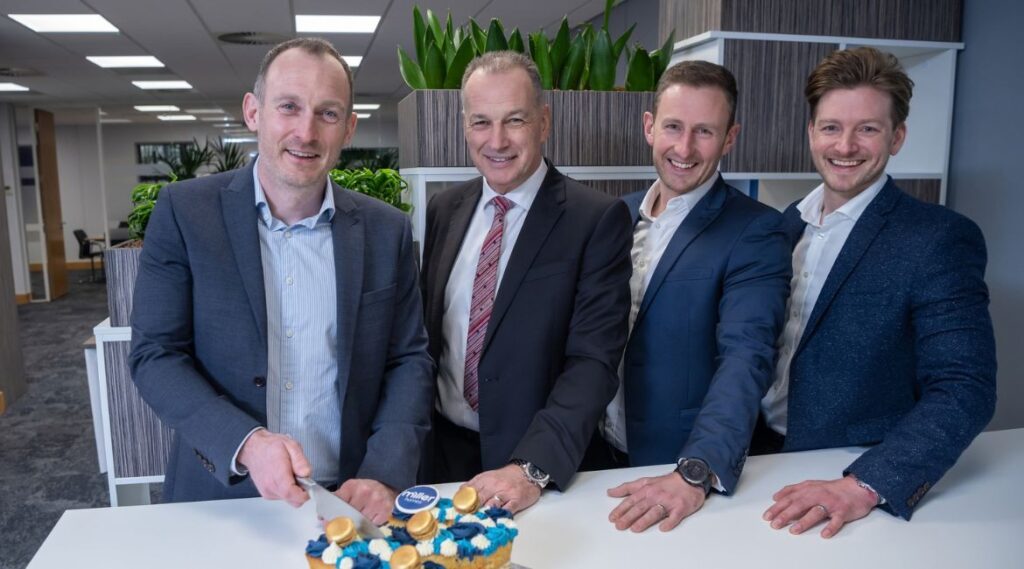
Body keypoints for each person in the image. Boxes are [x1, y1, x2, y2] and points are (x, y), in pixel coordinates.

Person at [129, 38, 433, 523]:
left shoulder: (385, 230)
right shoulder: (185, 213)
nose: (306, 132)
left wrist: (385, 471)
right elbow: (156, 355)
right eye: (288, 107)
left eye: (328, 114)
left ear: (349, 127)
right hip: (222, 499)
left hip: (351, 499)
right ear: (254, 111)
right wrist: (246, 443)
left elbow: (408, 360)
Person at [757, 46, 997, 538]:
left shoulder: (938, 238)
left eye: (867, 128)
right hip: (755, 460)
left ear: (897, 137)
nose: (845, 146)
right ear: (811, 133)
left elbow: (964, 386)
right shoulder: (780, 227)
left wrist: (865, 484)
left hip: (847, 477)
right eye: (830, 127)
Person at [419, 51, 632, 513]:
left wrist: (531, 468)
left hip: (536, 470)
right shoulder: (443, 210)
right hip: (441, 461)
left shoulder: (594, 219)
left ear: (544, 121)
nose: (496, 140)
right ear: (464, 126)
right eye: (481, 122)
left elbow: (593, 363)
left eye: (514, 120)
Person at [601, 61, 792, 533]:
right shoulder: (615, 215)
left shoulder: (757, 230)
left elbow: (746, 356)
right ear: (649, 127)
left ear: (729, 138)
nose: (684, 148)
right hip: (597, 457)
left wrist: (697, 468)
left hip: (681, 475)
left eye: (704, 131)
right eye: (673, 127)